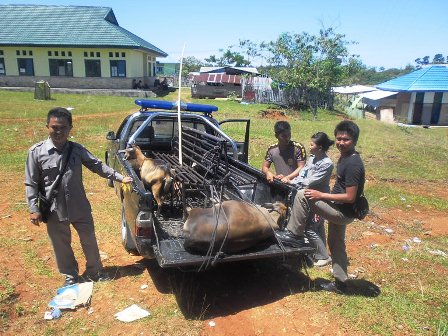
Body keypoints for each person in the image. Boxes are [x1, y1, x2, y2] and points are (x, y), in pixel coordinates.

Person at [25, 107, 133, 287]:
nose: (58, 131)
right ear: (47, 127)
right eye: (54, 127)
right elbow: (31, 182)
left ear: (70, 128)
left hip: (79, 206)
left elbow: (98, 166)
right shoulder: (36, 152)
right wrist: (33, 209)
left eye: (63, 127)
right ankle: (70, 275)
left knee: (89, 239)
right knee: (61, 245)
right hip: (54, 209)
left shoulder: (77, 150)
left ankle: (95, 271)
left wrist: (120, 177)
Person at [278, 120, 365, 294]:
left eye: (346, 139)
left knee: (304, 194)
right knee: (336, 243)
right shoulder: (345, 157)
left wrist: (321, 195)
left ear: (354, 140)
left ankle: (293, 234)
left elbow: (350, 197)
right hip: (340, 208)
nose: (341, 142)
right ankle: (341, 283)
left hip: (342, 212)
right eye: (339, 138)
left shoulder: (353, 164)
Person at [292, 132, 334, 267]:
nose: (309, 146)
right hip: (309, 196)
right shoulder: (312, 158)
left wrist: (292, 183)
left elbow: (311, 180)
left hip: (319, 198)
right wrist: (290, 179)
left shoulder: (327, 164)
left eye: (312, 144)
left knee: (310, 227)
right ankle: (320, 253)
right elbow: (303, 173)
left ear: (320, 147)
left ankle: (323, 256)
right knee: (318, 226)